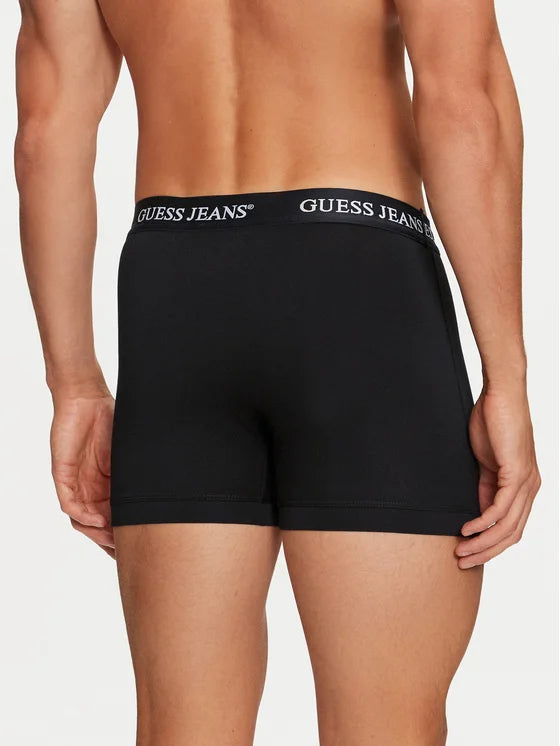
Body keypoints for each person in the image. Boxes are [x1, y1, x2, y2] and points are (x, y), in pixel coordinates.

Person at [15, 0, 541, 743]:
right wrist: (507, 377)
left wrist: (73, 383)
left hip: (175, 289)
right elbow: (465, 104)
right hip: (357, 283)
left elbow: (45, 134)